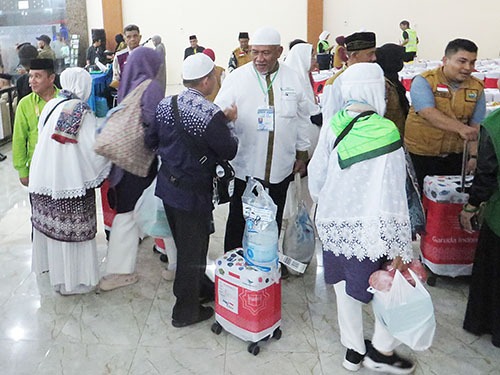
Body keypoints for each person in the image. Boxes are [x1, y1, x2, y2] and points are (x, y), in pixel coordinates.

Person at [308, 63, 415, 374]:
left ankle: (353, 351)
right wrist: (399, 244)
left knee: (344, 289)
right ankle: (381, 351)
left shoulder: (333, 124)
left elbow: (317, 179)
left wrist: (330, 207)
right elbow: (394, 191)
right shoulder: (387, 131)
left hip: (335, 226)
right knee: (386, 289)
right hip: (374, 230)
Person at [145, 53, 238, 327]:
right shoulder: (209, 114)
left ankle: (199, 289)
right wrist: (228, 121)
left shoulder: (165, 105)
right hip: (193, 193)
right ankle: (185, 311)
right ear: (207, 81)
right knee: (192, 252)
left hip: (168, 187)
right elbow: (229, 150)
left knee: (188, 246)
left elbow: (151, 139)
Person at [214, 26, 310, 258]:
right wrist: (225, 117)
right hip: (245, 165)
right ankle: (233, 261)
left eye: (266, 53)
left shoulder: (292, 78)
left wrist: (302, 152)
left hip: (280, 164)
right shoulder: (237, 78)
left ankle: (265, 259)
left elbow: (302, 117)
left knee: (272, 217)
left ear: (278, 51)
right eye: (255, 52)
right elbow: (215, 114)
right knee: (238, 216)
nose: (259, 58)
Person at [28, 67, 110, 295]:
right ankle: (76, 281)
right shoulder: (80, 109)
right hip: (68, 181)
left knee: (55, 235)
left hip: (45, 177)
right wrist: (112, 155)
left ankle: (59, 278)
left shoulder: (52, 104)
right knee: (73, 234)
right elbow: (92, 149)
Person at [99, 47, 164, 291]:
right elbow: (154, 124)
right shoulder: (151, 87)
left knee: (129, 211)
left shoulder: (128, 84)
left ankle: (120, 267)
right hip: (140, 161)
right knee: (144, 212)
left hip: (123, 160)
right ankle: (119, 272)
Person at [404, 38, 485, 190]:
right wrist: (461, 128)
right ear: (445, 60)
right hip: (422, 154)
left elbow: (476, 124)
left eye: (472, 62)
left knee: (449, 200)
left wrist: (473, 156)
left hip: (456, 156)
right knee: (420, 198)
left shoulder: (477, 87)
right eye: (462, 61)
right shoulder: (424, 81)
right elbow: (427, 112)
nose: (468, 67)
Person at [460, 108, 500, 348]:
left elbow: (486, 175)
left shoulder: (495, 125)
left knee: (493, 271)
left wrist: (471, 207)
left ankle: (488, 324)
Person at [12, 59, 59, 186]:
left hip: (62, 166)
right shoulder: (25, 104)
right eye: (30, 76)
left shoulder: (64, 100)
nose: (31, 81)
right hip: (37, 167)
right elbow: (19, 139)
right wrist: (22, 171)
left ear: (51, 78)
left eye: (37, 76)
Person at [322, 31, 377, 124]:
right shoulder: (335, 83)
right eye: (370, 54)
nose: (374, 58)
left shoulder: (375, 78)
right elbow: (330, 121)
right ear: (354, 55)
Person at [376, 43, 409, 135]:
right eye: (399, 60)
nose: (401, 63)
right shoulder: (383, 85)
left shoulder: (394, 80)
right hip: (389, 135)